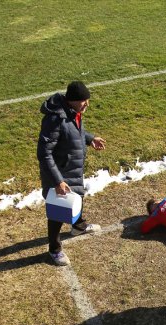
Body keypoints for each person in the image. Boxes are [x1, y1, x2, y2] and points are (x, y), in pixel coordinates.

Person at [37, 81, 106, 266]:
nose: (87, 104)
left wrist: (90, 139)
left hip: (72, 168)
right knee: (58, 212)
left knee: (78, 196)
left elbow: (75, 132)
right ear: (73, 100)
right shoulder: (55, 119)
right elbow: (44, 153)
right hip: (59, 173)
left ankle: (78, 226)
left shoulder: (73, 112)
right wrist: (57, 181)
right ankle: (54, 249)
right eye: (84, 101)